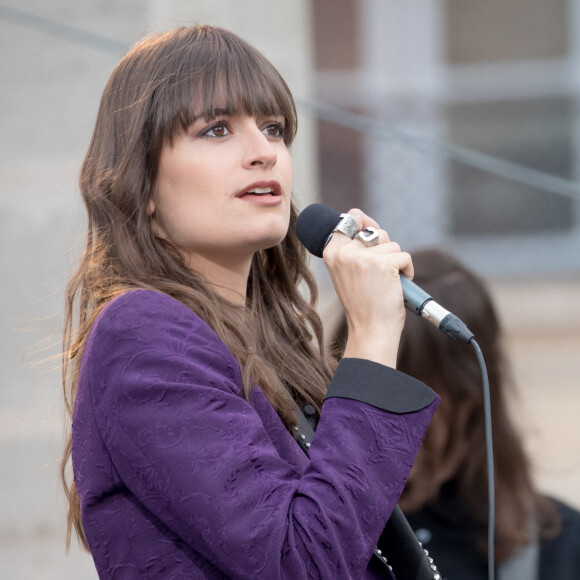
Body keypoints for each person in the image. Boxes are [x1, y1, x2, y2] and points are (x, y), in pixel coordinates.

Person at [60, 25, 440, 579]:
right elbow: (301, 564)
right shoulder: (142, 333)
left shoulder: (263, 340)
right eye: (216, 129)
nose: (264, 152)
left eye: (274, 128)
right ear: (140, 185)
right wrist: (373, 337)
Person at [331, 247, 580, 579]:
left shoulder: (557, 543)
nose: (374, 414)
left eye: (402, 390)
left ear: (469, 397)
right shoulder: (321, 531)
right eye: (358, 386)